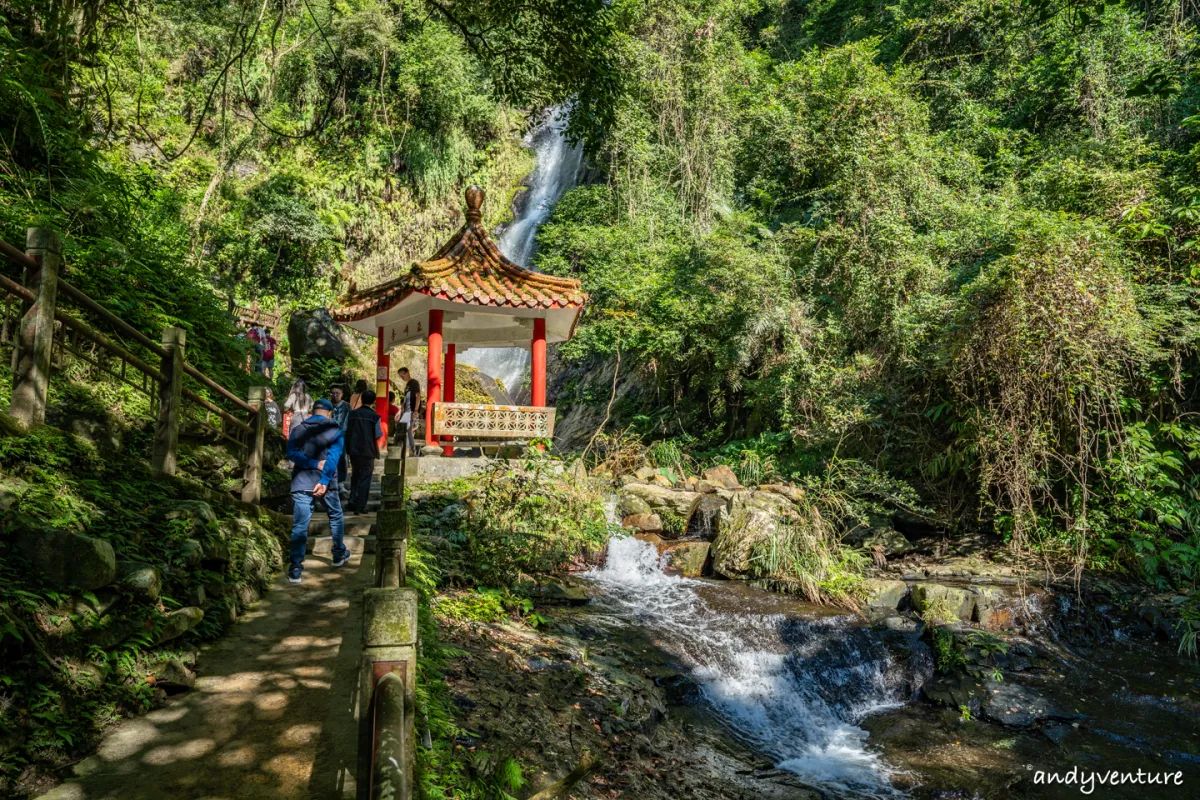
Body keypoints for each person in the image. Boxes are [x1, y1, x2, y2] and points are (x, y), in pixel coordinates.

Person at [286, 398, 349, 583]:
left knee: (300, 525)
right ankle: (338, 554)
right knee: (335, 516)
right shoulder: (334, 430)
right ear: (329, 413)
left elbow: (291, 454)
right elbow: (333, 457)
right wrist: (324, 480)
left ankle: (296, 568)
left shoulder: (298, 429)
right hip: (327, 483)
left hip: (302, 481)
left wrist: (312, 463)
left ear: (312, 412)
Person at [344, 390, 383, 514]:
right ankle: (361, 505)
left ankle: (352, 500)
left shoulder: (352, 414)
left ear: (361, 399)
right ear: (374, 402)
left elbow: (345, 429)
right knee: (365, 477)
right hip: (368, 450)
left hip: (354, 449)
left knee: (355, 475)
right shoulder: (375, 416)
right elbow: (378, 434)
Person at [330, 386, 351, 491]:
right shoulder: (327, 405)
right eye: (332, 393)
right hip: (329, 434)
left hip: (342, 434)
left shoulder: (347, 406)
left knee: (342, 458)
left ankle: (341, 482)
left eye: (337, 393)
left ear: (342, 394)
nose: (334, 396)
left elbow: (350, 421)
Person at [400, 377, 421, 457]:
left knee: (404, 430)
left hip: (411, 412)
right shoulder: (407, 391)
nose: (401, 377)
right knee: (408, 431)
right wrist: (401, 410)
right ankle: (413, 450)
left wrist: (416, 410)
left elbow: (418, 396)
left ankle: (407, 451)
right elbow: (404, 401)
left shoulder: (414, 386)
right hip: (406, 412)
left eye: (402, 375)